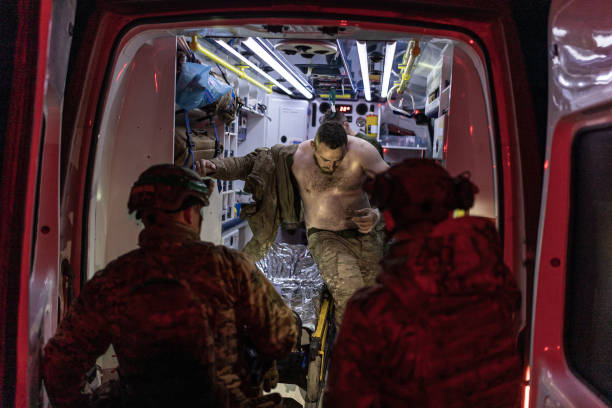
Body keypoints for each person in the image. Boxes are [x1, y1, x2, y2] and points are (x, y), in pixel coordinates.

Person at [42, 164, 297, 408]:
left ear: (145, 216)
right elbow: (281, 337)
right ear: (189, 212)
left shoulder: (113, 279)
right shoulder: (229, 267)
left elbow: (60, 364)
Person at [323, 159, 523, 407]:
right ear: (451, 210)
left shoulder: (375, 311)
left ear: (390, 217)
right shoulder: (500, 289)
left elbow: (344, 400)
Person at [195, 120, 389, 326]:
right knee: (351, 296)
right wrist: (215, 167)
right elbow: (249, 164)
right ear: (313, 146)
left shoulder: (363, 152)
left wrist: (376, 214)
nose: (331, 167)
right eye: (325, 160)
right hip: (325, 236)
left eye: (337, 161)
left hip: (365, 235)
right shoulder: (293, 157)